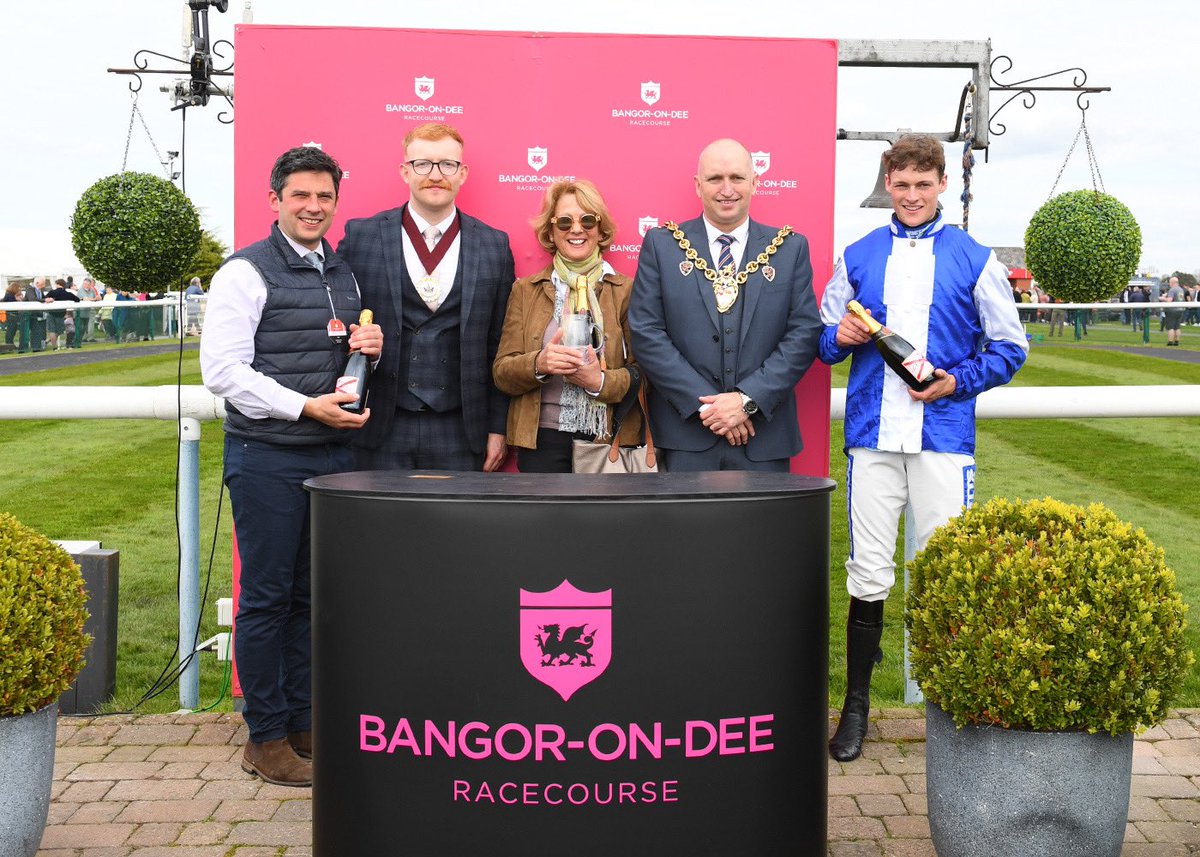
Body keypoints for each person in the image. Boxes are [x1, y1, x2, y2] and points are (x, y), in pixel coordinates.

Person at [818, 135, 1028, 762]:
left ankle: (948, 706)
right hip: (873, 438)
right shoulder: (857, 254)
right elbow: (823, 342)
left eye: (922, 185)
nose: (911, 197)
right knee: (870, 570)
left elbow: (1010, 348)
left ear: (941, 185)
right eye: (901, 185)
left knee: (944, 570)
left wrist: (956, 381)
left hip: (943, 440)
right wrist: (842, 334)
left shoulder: (974, 256)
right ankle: (857, 704)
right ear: (889, 184)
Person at [201, 146, 383, 787]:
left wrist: (371, 348)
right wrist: (306, 407)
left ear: (336, 202)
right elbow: (223, 372)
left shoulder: (342, 271)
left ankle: (304, 724)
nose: (313, 207)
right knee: (268, 599)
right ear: (274, 199)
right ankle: (265, 735)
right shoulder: (244, 273)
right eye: (300, 195)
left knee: (309, 598)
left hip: (330, 455)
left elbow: (332, 352)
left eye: (324, 197)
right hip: (268, 457)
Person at [628, 139, 821, 472]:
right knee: (686, 527)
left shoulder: (790, 249)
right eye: (715, 178)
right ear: (698, 185)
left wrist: (747, 401)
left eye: (737, 178)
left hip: (765, 437)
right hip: (684, 436)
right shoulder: (663, 245)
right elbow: (646, 332)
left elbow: (803, 334)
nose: (727, 189)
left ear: (755, 182)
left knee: (762, 527)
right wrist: (710, 408)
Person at [338, 123, 514, 472]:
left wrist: (498, 427)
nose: (436, 175)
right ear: (405, 171)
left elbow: (500, 344)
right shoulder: (361, 236)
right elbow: (337, 322)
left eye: (447, 165)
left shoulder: (494, 245)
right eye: (423, 164)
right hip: (378, 422)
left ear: (462, 173)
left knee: (456, 528)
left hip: (463, 429)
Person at [492, 180, 642, 472]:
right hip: (541, 442)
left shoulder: (626, 290)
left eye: (588, 220)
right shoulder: (526, 290)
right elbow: (502, 373)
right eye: (564, 222)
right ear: (550, 231)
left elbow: (644, 374)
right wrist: (540, 363)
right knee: (545, 520)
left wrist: (598, 382)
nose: (576, 229)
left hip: (607, 440)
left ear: (601, 230)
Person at [45, 278, 80, 350]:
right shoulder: (68, 294)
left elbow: (45, 299)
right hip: (61, 315)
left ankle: (54, 347)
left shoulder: (52, 292)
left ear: (57, 284)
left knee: (52, 330)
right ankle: (50, 343)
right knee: (59, 331)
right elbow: (77, 300)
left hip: (51, 313)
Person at [20, 277, 48, 352]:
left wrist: (49, 298)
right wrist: (45, 300)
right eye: (43, 283)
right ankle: (22, 349)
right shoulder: (30, 289)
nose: (44, 285)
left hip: (34, 315)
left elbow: (44, 298)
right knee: (25, 332)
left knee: (37, 331)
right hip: (26, 314)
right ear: (37, 283)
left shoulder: (40, 291)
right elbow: (32, 299)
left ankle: (36, 348)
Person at [1164, 276, 1185, 346]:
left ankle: (1170, 341)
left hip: (1172, 310)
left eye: (1169, 282)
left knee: (1171, 327)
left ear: (1172, 282)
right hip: (1180, 310)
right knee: (1177, 327)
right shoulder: (1181, 289)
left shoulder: (1172, 290)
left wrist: (1163, 298)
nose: (1169, 284)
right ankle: (1177, 341)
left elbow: (1169, 300)